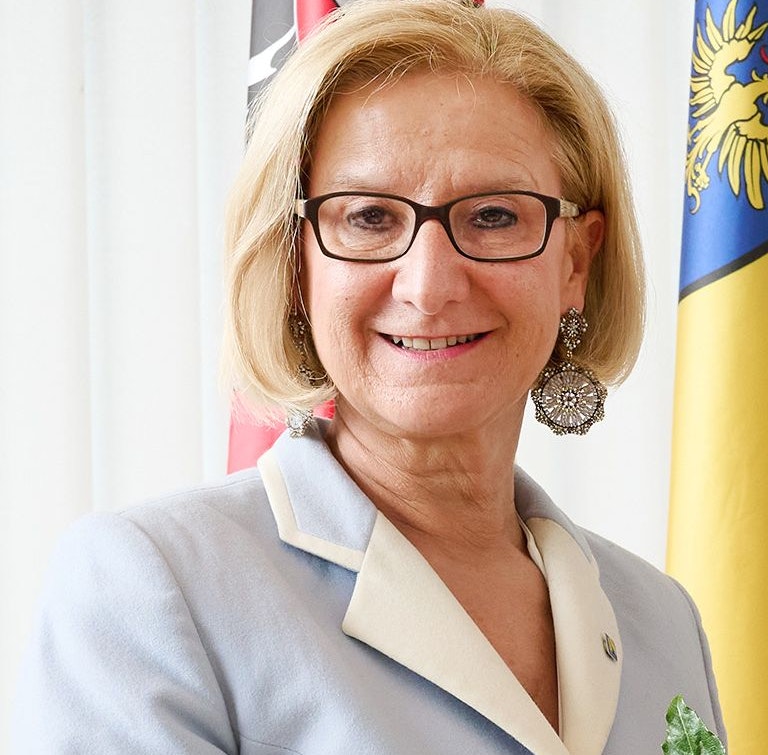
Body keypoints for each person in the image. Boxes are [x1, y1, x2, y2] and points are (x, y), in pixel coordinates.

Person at [11, 2, 722, 752]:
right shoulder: (151, 590)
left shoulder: (663, 620)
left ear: (575, 261)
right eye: (369, 218)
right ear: (295, 262)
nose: (428, 284)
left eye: (492, 216)